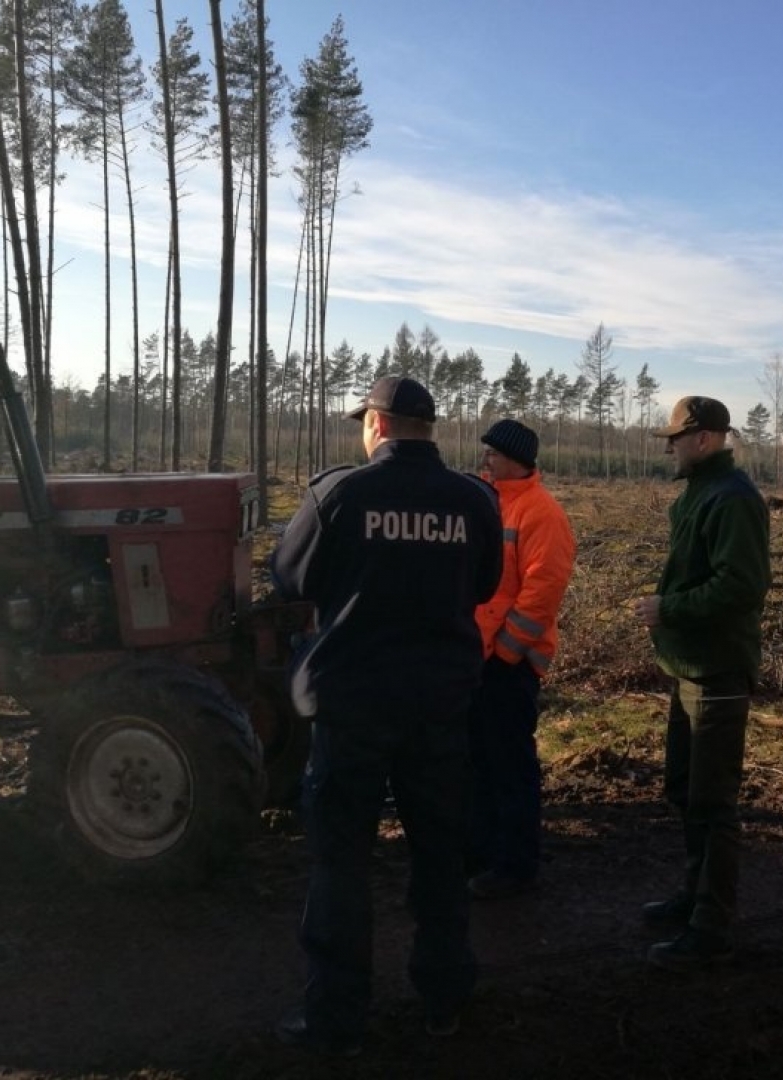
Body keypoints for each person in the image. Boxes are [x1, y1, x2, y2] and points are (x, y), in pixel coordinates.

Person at [269, 375, 503, 1055]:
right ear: (428, 428)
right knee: (439, 856)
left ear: (376, 423)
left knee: (340, 863)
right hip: (438, 706)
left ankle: (335, 1018)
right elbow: (484, 583)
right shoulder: (472, 500)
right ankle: (444, 999)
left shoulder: (339, 493)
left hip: (352, 707)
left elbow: (290, 577)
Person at [631, 395, 770, 971]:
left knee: (713, 804)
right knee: (685, 791)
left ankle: (711, 926)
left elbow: (741, 587)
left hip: (717, 670)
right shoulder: (701, 494)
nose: (669, 446)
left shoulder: (732, 500)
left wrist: (670, 609)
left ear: (706, 439)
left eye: (676, 437)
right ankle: (694, 897)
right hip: (688, 667)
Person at [466, 418, 576, 900]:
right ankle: (483, 854)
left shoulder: (540, 512)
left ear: (513, 459)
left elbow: (542, 592)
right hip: (480, 658)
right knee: (480, 762)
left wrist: (507, 653)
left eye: (492, 454)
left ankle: (515, 865)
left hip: (508, 665)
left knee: (510, 765)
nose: (485, 460)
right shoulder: (490, 503)